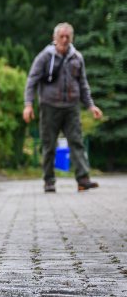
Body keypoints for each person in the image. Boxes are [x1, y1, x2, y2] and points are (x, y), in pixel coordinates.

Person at [23, 22, 103, 192]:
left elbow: (83, 84)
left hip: (71, 107)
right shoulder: (45, 56)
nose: (65, 40)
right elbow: (32, 81)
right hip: (49, 106)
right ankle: (49, 181)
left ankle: (83, 179)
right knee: (48, 144)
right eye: (62, 36)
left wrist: (91, 105)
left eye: (68, 37)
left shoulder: (77, 57)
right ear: (55, 38)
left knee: (77, 142)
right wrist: (28, 105)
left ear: (72, 38)